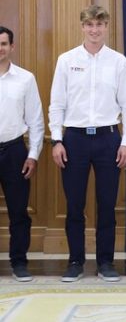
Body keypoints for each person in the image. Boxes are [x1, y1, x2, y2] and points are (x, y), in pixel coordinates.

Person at [49, 5, 126, 282]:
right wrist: (56, 140)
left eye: (100, 25)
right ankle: (75, 261)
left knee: (107, 204)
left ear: (107, 27)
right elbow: (57, 104)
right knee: (74, 204)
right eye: (90, 25)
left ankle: (106, 262)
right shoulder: (66, 60)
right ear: (82, 27)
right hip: (73, 139)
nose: (95, 30)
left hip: (108, 139)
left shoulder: (118, 62)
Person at [0, 26, 44, 282]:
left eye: (4, 43)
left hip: (16, 151)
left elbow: (36, 120)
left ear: (12, 47)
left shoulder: (26, 79)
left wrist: (34, 155)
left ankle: (19, 262)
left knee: (19, 212)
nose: (0, 48)